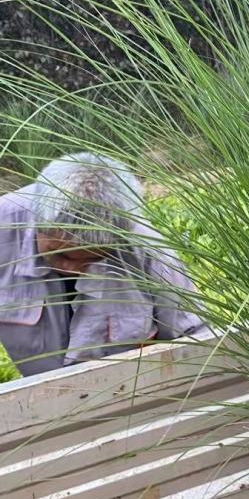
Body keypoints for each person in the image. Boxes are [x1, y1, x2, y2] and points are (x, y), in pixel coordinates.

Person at [0, 151, 209, 377]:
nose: (70, 269)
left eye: (90, 260)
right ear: (38, 222)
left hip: (131, 393)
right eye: (60, 254)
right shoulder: (4, 227)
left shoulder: (149, 249)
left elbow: (195, 338)